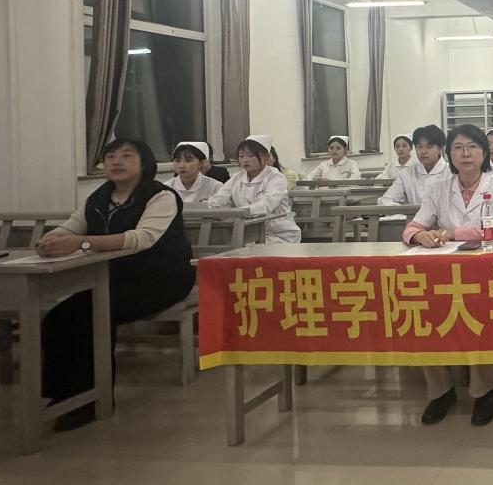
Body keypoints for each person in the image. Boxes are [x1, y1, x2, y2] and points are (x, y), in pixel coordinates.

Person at [37, 139, 194, 430]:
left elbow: (141, 239)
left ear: (144, 163)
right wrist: (50, 240)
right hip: (114, 278)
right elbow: (71, 227)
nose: (117, 162)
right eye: (110, 156)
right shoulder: (98, 198)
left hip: (161, 277)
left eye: (126, 156)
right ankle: (61, 394)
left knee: (93, 313)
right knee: (57, 316)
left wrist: (82, 243)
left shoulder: (161, 196)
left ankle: (90, 399)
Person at [403, 124, 493, 427]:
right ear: (449, 154)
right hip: (443, 273)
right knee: (425, 317)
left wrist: (452, 232)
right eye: (458, 148)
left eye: (472, 147)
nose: (465, 153)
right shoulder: (438, 188)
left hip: (485, 271)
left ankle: (483, 391)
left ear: (484, 152)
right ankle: (440, 391)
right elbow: (413, 227)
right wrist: (419, 237)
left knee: (481, 321)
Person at [207, 135, 301, 242]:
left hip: (278, 233)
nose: (245, 160)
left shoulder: (276, 178)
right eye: (241, 156)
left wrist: (234, 213)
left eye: (250, 156)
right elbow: (218, 200)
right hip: (246, 233)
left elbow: (266, 205)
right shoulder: (236, 178)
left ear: (265, 157)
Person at [378, 124, 452, 206]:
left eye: (429, 147)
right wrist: (405, 211)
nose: (423, 151)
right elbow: (385, 200)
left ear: (440, 148)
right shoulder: (406, 174)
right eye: (419, 147)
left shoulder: (452, 173)